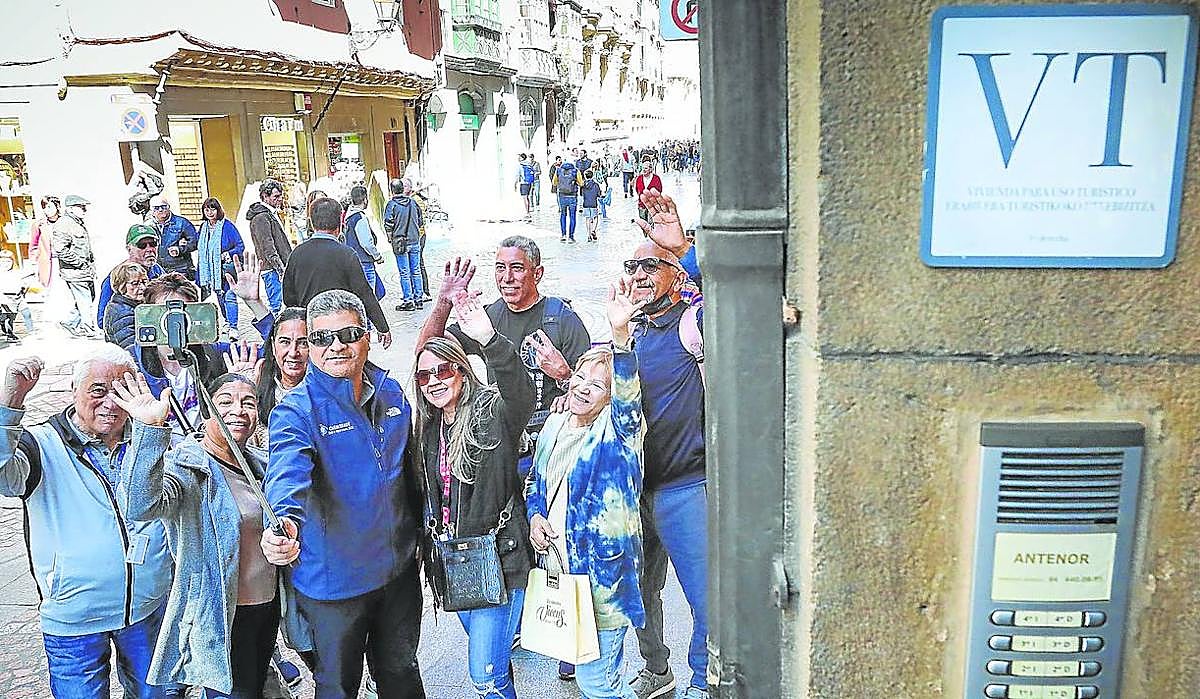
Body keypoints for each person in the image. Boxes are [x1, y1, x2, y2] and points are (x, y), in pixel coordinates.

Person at [261, 289, 426, 699]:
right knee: (337, 686)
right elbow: (286, 473)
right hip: (335, 585)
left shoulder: (390, 392)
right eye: (321, 338)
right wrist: (282, 523)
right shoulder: (297, 411)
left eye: (348, 333)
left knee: (401, 674)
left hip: (398, 573)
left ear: (367, 336)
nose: (336, 346)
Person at [0, 348, 176, 697]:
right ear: (74, 390)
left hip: (147, 607)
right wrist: (11, 404)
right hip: (74, 617)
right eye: (98, 390)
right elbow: (4, 478)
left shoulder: (149, 438)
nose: (110, 402)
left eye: (121, 390)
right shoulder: (41, 444)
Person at [115, 370, 291, 699]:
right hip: (220, 617)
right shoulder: (188, 467)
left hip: (265, 608)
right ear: (207, 409)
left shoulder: (261, 465)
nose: (238, 410)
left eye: (248, 403)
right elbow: (141, 506)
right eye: (225, 402)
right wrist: (149, 429)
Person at [412, 293, 535, 699]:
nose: (434, 381)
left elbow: (521, 393)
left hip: (499, 558)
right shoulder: (430, 428)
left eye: (443, 370)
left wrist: (490, 339)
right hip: (454, 562)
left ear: (462, 371)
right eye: (425, 376)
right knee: (496, 669)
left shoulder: (491, 412)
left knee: (483, 676)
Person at [527, 281, 647, 699]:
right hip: (563, 572)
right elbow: (535, 482)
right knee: (601, 677)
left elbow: (629, 401)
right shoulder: (555, 424)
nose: (582, 387)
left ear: (610, 397)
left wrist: (619, 337)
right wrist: (535, 515)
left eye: (597, 385)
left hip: (604, 577)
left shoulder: (619, 433)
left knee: (596, 682)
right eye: (580, 376)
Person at [415, 237, 592, 480]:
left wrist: (565, 377)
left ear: (537, 273)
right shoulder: (486, 319)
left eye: (517, 268)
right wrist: (444, 303)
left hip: (554, 448)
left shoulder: (562, 319)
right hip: (505, 447)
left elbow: (598, 393)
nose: (507, 278)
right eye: (500, 268)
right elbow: (426, 354)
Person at [622, 240, 708, 699]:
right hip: (637, 490)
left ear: (676, 275)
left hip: (686, 487)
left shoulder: (691, 323)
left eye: (648, 265)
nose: (637, 274)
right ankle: (657, 670)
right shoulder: (633, 330)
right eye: (631, 266)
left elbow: (725, 297)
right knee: (638, 596)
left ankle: (701, 681)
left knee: (707, 601)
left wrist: (682, 248)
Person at [135, 262, 273, 435]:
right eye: (167, 314)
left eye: (183, 314)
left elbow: (280, 350)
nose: (174, 324)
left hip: (207, 450)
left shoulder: (212, 353)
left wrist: (256, 305)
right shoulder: (135, 364)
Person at [283, 197, 393, 348]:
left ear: (311, 223)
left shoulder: (297, 254)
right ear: (340, 224)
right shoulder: (347, 254)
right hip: (343, 334)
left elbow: (289, 298)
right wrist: (382, 327)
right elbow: (364, 294)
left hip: (312, 330)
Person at [97, 223, 166, 328]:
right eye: (142, 245)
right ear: (129, 249)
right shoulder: (116, 277)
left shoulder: (158, 271)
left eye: (153, 244)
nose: (149, 249)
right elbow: (103, 320)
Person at [52, 194, 101, 338]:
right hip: (75, 271)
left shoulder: (76, 223)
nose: (84, 210)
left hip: (84, 270)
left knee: (87, 297)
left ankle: (70, 322)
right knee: (84, 299)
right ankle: (88, 328)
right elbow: (60, 249)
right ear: (71, 209)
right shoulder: (63, 224)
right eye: (81, 207)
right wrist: (79, 263)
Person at [196, 197, 246, 332]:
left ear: (218, 210)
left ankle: (233, 326)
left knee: (229, 296)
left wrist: (227, 254)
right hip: (213, 273)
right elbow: (199, 248)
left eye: (213, 209)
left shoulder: (227, 226)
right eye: (207, 209)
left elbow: (240, 245)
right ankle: (227, 321)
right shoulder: (203, 228)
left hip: (226, 270)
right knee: (220, 297)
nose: (210, 212)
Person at [248, 179, 292, 314]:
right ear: (265, 197)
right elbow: (267, 246)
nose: (279, 199)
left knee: (281, 305)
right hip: (271, 268)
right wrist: (280, 268)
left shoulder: (269, 214)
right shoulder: (261, 217)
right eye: (276, 196)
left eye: (280, 196)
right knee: (277, 307)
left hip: (275, 267)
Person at [383, 178, 426, 311]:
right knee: (416, 270)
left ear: (392, 191)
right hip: (414, 240)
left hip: (400, 242)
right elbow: (420, 221)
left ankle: (408, 300)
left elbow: (388, 224)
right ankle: (418, 298)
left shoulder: (392, 205)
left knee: (404, 272)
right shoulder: (413, 203)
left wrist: (390, 239)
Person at [343, 185, 387, 299]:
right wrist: (377, 256)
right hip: (364, 261)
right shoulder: (359, 218)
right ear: (365, 200)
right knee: (369, 298)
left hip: (353, 261)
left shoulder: (348, 217)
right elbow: (366, 242)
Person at [103, 262, 150, 352]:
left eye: (144, 282)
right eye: (135, 283)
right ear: (121, 286)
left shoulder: (135, 305)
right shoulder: (120, 311)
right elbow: (131, 349)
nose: (143, 287)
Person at [150, 195, 199, 281]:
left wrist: (180, 249)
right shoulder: (149, 226)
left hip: (180, 270)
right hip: (158, 270)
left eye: (163, 206)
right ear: (152, 211)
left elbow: (195, 242)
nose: (161, 210)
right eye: (157, 208)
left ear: (169, 207)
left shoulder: (182, 223)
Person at [0, 250, 33, 341]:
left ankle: (31, 332)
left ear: (13, 261)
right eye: (3, 261)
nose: (6, 264)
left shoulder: (16, 272)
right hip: (5, 299)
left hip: (18, 297)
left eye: (8, 261)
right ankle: (9, 334)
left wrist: (24, 288)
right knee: (9, 318)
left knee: (27, 313)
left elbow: (26, 280)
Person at [30, 194, 59, 289]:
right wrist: (34, 263)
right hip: (47, 262)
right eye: (44, 207)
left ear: (57, 206)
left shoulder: (64, 223)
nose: (47, 210)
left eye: (49, 207)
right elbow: (33, 245)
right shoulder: (38, 225)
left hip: (63, 261)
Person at [552, 158, 583, 243]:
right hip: (572, 196)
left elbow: (554, 183)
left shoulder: (558, 170)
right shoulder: (576, 171)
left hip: (562, 196)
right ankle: (571, 237)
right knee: (572, 216)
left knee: (563, 215)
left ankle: (563, 235)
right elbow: (581, 184)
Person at [633, 158, 664, 223]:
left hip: (652, 204)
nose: (643, 170)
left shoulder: (656, 178)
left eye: (646, 168)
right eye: (643, 168)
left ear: (650, 169)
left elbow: (659, 190)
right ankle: (645, 233)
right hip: (642, 204)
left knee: (651, 222)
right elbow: (637, 189)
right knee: (644, 223)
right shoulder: (639, 178)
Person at [580, 170, 602, 243]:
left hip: (586, 204)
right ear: (592, 176)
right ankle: (593, 230)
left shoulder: (583, 185)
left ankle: (589, 235)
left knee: (588, 219)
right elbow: (599, 194)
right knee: (595, 217)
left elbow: (581, 194)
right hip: (593, 203)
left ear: (585, 176)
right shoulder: (596, 184)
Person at [516, 154, 535, 218]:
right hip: (529, 183)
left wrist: (515, 184)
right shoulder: (529, 164)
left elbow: (518, 175)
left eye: (519, 157)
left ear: (522, 158)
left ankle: (527, 213)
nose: (518, 158)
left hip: (523, 183)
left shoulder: (520, 165)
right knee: (527, 197)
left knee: (525, 198)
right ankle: (528, 211)